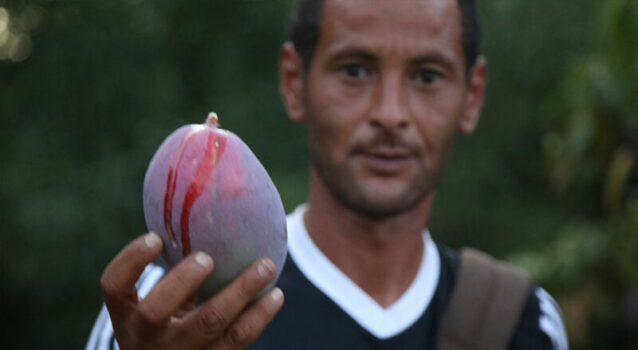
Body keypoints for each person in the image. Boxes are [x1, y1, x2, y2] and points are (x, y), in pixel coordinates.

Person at [87, 0, 569, 349]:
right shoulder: (162, 313)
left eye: (427, 75)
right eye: (355, 70)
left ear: (473, 95)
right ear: (294, 83)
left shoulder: (522, 322)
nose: (389, 113)